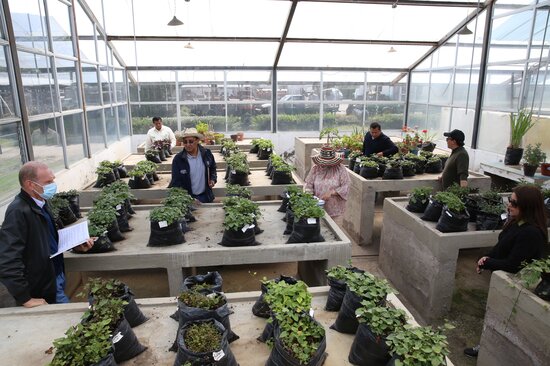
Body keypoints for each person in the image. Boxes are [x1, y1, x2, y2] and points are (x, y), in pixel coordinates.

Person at [464, 184, 547, 358]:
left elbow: (513, 265)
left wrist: (488, 262)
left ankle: (488, 349)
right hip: (505, 277)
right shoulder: (517, 223)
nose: (509, 205)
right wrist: (486, 257)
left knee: (503, 319)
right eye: (510, 200)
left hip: (516, 284)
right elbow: (501, 246)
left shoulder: (531, 233)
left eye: (514, 203)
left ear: (528, 206)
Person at [0, 162, 94, 308]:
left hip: (55, 275)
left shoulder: (41, 202)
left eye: (53, 180)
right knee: (68, 320)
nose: (53, 185)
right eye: (48, 182)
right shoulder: (18, 211)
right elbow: (8, 259)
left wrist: (76, 246)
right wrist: (25, 298)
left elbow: (47, 239)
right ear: (30, 184)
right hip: (43, 285)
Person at [169, 128, 217, 203]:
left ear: (197, 140)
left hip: (205, 196)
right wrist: (188, 199)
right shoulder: (178, 159)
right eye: (185, 142)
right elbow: (176, 182)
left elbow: (213, 168)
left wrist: (212, 179)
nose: (188, 145)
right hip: (188, 199)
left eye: (191, 142)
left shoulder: (207, 154)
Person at [305, 145, 351, 218]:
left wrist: (331, 192)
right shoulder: (315, 169)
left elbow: (346, 186)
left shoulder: (341, 169)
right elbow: (308, 185)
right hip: (317, 208)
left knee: (333, 227)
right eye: (324, 162)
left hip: (335, 210)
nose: (326, 164)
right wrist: (310, 198)